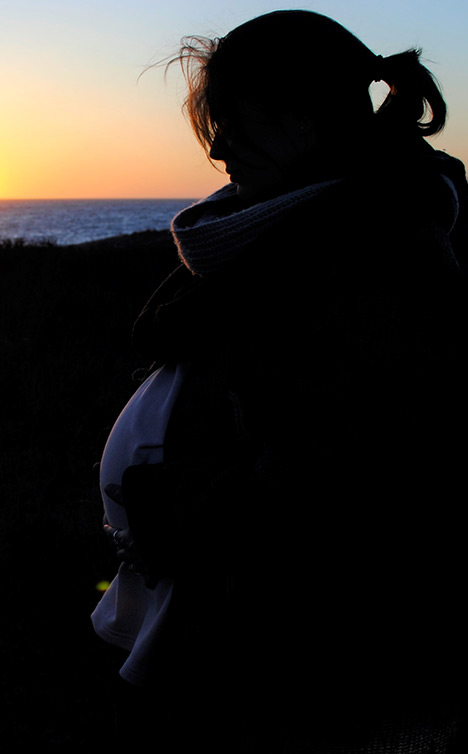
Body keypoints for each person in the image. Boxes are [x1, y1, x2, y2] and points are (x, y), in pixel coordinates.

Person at [91, 10, 468, 753]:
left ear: (301, 123)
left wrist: (177, 521)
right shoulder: (310, 236)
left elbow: (346, 487)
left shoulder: (376, 261)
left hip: (319, 666)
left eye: (232, 123)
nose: (220, 150)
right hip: (257, 638)